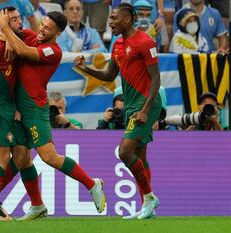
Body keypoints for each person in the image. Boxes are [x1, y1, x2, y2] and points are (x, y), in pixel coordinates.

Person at [0, 9, 106, 216]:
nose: (41, 29)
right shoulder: (31, 35)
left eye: (47, 28)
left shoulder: (53, 51)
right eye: (42, 24)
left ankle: (92, 184)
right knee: (21, 157)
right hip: (19, 109)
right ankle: (37, 205)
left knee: (49, 157)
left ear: (57, 34)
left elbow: (23, 51)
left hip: (35, 109)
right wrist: (7, 36)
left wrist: (7, 33)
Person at [74, 3, 160, 219]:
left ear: (128, 19)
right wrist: (86, 68)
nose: (110, 22)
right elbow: (109, 75)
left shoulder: (144, 41)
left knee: (124, 152)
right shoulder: (117, 45)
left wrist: (146, 109)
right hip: (131, 105)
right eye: (110, 18)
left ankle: (150, 197)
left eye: (114, 18)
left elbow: (156, 77)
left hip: (145, 104)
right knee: (140, 156)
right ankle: (147, 207)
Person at [0, 7, 46, 221]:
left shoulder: (18, 44)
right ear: (4, 22)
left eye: (19, 18)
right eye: (12, 19)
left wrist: (15, 108)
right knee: (3, 155)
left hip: (10, 110)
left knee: (23, 156)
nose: (19, 22)